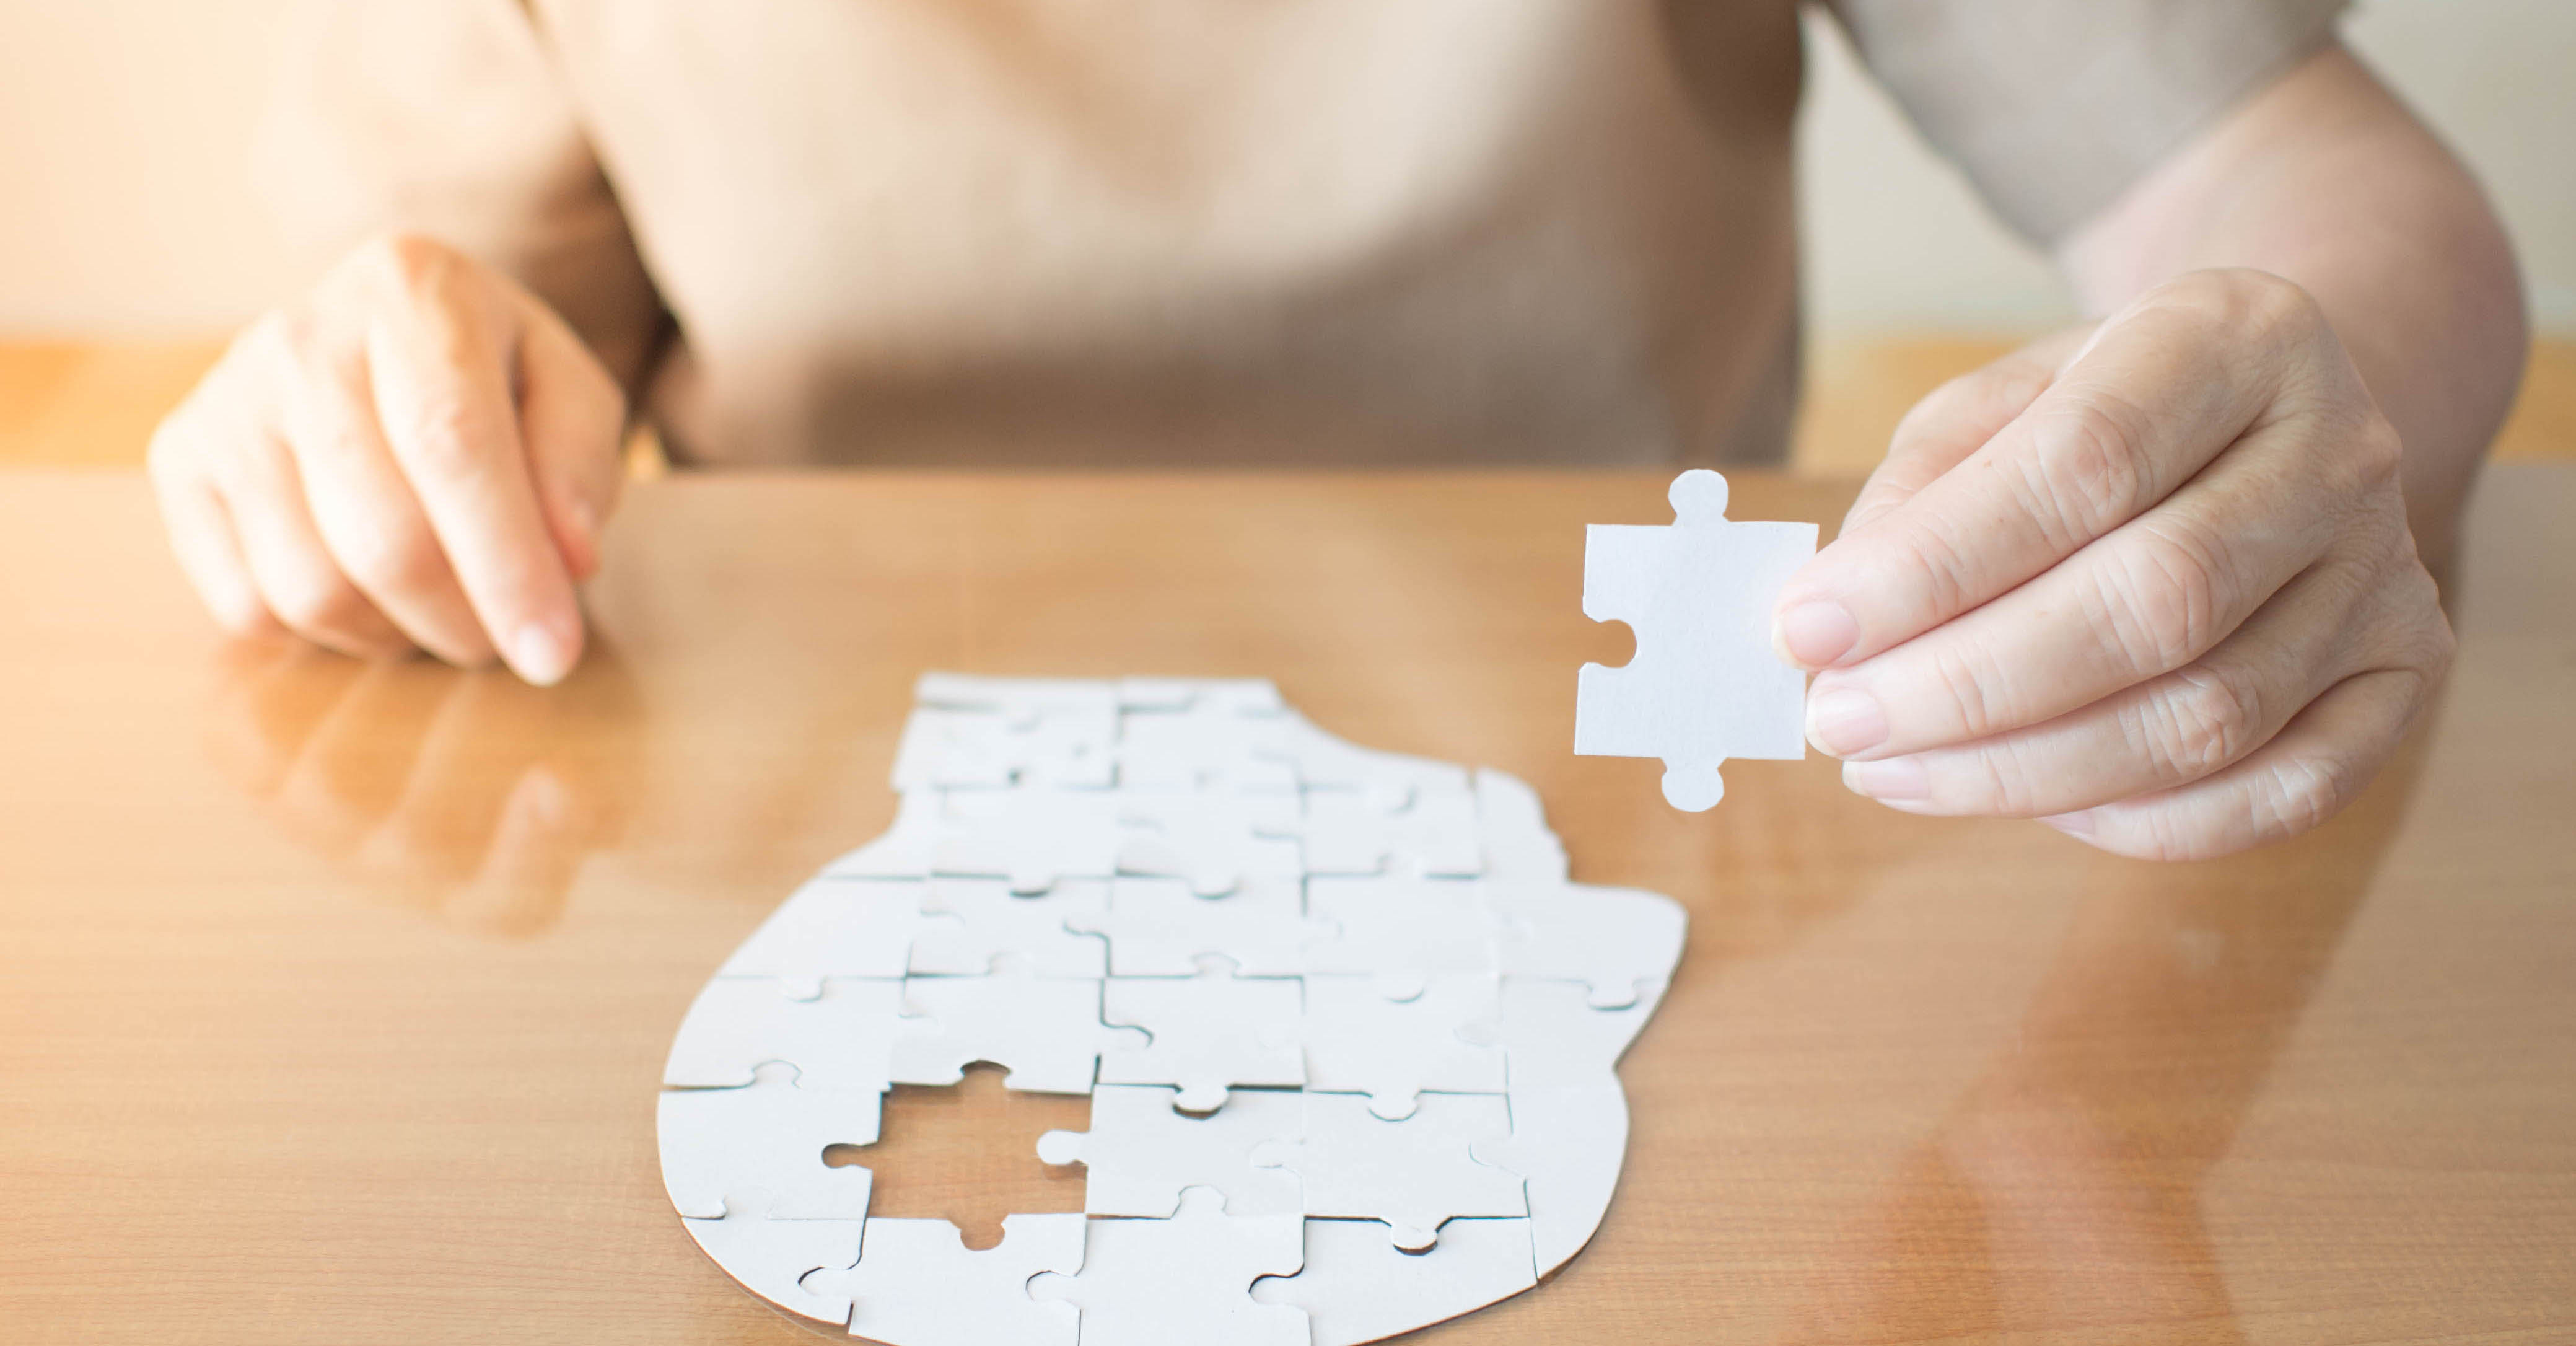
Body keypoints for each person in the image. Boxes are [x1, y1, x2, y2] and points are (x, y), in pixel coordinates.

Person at [144, 1, 2526, 861]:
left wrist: (2294, 396)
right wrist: (352, 407)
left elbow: (2300, 179)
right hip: (824, 852)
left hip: (1635, 872)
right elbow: (410, 347)